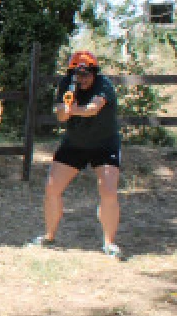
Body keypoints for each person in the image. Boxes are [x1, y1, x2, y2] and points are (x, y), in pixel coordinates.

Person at [30, 50, 123, 259]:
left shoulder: (104, 85)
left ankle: (109, 243)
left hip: (104, 144)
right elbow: (61, 117)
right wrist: (66, 106)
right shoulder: (66, 85)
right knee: (51, 188)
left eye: (87, 73)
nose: (83, 78)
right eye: (78, 74)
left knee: (108, 191)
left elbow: (92, 109)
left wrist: (71, 109)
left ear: (94, 72)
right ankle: (49, 236)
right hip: (75, 143)